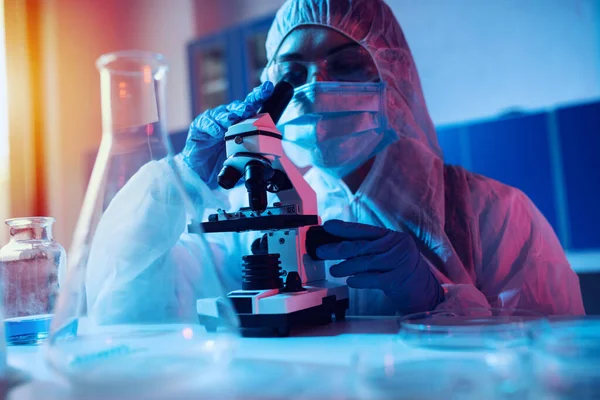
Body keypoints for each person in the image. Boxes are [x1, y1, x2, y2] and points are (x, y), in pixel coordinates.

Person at [85, 0, 585, 321]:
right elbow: (129, 312)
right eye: (293, 75)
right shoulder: (264, 220)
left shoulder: (495, 214)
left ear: (396, 78)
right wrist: (178, 180)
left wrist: (440, 302)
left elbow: (557, 364)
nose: (317, 87)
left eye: (346, 65)